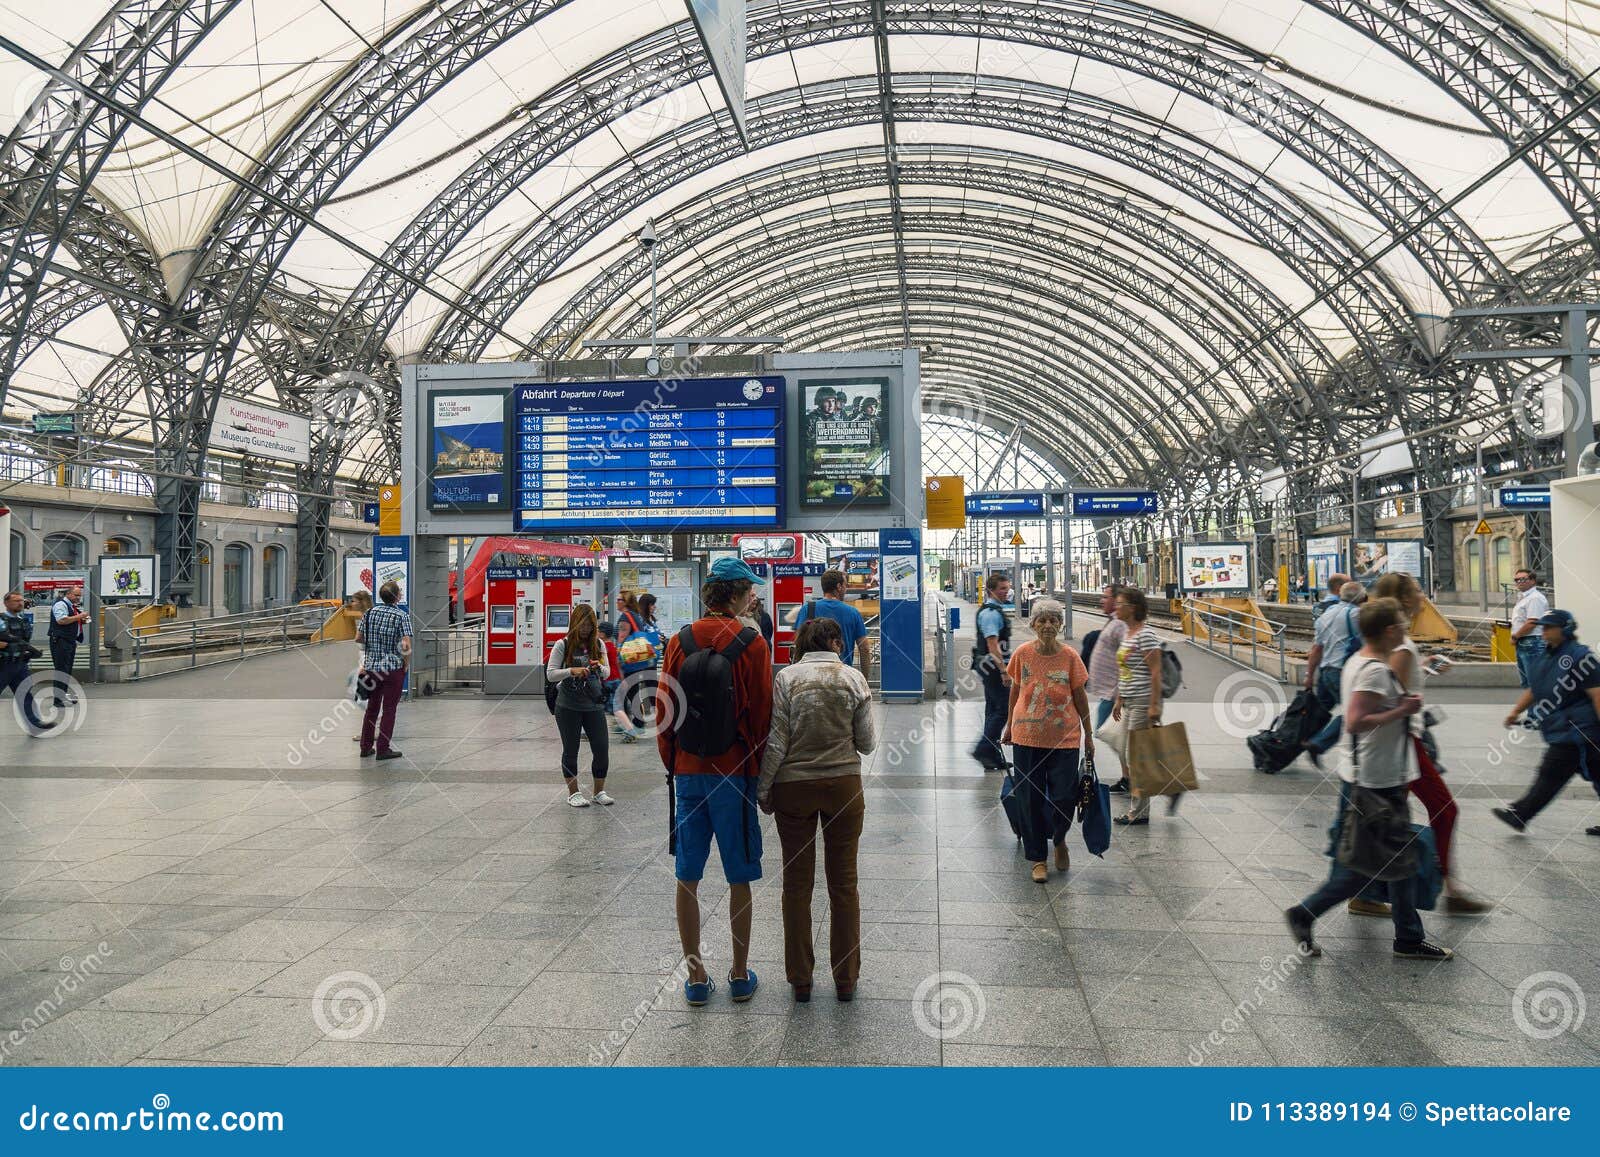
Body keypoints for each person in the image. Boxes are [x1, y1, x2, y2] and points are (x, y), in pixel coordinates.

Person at [1285, 597, 1453, 961]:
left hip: (1377, 776)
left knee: (1398, 861)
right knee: (1363, 869)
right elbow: (1356, 721)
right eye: (1402, 627)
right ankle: (1306, 911)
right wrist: (1402, 710)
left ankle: (1408, 936)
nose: (1406, 633)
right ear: (1390, 630)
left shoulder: (1360, 661)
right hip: (1376, 782)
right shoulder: (1375, 670)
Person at [657, 556, 773, 1007]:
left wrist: (674, 762)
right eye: (749, 591)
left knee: (687, 875)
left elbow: (666, 709)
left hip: (688, 771)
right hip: (735, 772)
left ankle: (696, 976)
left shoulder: (680, 640)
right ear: (738, 593)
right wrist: (759, 777)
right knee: (739, 875)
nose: (752, 597)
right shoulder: (752, 643)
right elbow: (761, 717)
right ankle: (740, 974)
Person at [757, 617, 877, 1002]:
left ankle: (801, 980)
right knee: (844, 885)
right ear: (837, 643)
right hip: (843, 786)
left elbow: (777, 739)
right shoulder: (853, 679)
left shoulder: (787, 678)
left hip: (794, 787)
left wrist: (764, 788)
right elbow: (868, 742)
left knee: (796, 886)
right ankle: (845, 979)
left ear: (802, 644)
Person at [1361, 572, 1492, 915]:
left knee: (1385, 820)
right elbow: (1394, 698)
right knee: (1444, 810)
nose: (1423, 594)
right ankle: (1448, 889)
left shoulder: (1401, 645)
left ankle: (1365, 891)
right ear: (1404, 600)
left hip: (1404, 743)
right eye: (1417, 590)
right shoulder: (1401, 647)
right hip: (1406, 744)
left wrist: (1424, 666)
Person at [1002, 598, 1094, 882]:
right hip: (1026, 736)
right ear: (1033, 625)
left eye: (1053, 620)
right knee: (1029, 799)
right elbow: (1015, 691)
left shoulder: (1069, 657)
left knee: (1063, 797)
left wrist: (1088, 734)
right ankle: (1037, 858)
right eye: (1042, 620)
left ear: (1060, 624)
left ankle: (1059, 838)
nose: (1047, 625)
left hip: (1064, 738)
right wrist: (1008, 726)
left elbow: (1080, 696)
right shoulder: (1022, 654)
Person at [1493, 609, 1600, 836]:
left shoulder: (1582, 657)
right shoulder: (1545, 657)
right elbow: (1536, 688)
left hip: (1578, 731)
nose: (1544, 630)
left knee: (1550, 774)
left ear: (1566, 629)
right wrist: (1516, 711)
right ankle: (1520, 814)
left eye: (1549, 626)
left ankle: (1520, 815)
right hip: (1563, 729)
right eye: (1543, 626)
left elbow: (1597, 695)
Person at [548, 603, 621, 805]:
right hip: (568, 706)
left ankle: (599, 792)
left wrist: (599, 667)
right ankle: (574, 793)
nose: (586, 629)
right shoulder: (562, 644)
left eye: (590, 625)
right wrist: (572, 671)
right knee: (571, 749)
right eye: (583, 625)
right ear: (575, 623)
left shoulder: (599, 644)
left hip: (593, 704)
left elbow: (607, 673)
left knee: (601, 748)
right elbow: (551, 674)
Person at [1112, 588, 1173, 825]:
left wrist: (1154, 706)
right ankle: (1168, 785)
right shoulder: (1128, 633)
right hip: (1129, 700)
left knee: (1135, 756)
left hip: (1143, 700)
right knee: (1127, 750)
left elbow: (1155, 672)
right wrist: (1119, 698)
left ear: (1133, 607)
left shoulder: (1146, 635)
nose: (1116, 607)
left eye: (1120, 603)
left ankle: (1138, 812)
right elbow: (1125, 670)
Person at [1302, 578, 1365, 767]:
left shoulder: (1326, 614)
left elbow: (1316, 649)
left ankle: (1293, 740)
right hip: (1341, 672)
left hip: (1325, 672)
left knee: (1318, 712)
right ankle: (1318, 744)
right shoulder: (1356, 615)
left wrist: (1309, 676)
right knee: (1353, 714)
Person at [356, 580, 411, 761]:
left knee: (371, 709)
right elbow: (405, 644)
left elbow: (358, 638)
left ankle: (365, 747)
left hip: (372, 668)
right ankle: (383, 749)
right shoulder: (401, 616)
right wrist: (406, 663)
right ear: (397, 596)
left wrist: (373, 645)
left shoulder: (369, 613)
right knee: (389, 710)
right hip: (392, 669)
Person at [1085, 584, 1128, 792]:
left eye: (1106, 597)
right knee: (1115, 735)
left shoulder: (1120, 625)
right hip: (1110, 693)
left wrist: (1120, 692)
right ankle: (1129, 775)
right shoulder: (1115, 621)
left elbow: (1127, 659)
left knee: (1109, 732)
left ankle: (1138, 773)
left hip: (1115, 693)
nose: (1102, 600)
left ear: (1118, 600)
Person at [970, 572, 1014, 771]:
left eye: (1007, 588)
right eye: (1002, 588)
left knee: (993, 709)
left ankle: (992, 756)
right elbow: (992, 644)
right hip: (993, 668)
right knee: (1004, 709)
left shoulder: (994, 610)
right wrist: (1004, 671)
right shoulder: (991, 613)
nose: (1006, 592)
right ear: (991, 590)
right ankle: (984, 749)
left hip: (988, 666)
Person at [791, 569, 870, 675]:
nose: (846, 589)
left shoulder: (807, 609)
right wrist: (864, 680)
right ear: (839, 586)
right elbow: (864, 648)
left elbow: (798, 643)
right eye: (845, 585)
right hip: (842, 675)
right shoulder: (853, 613)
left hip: (811, 674)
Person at [0, 591, 51, 734]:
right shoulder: (1, 620)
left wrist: (30, 652)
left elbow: (24, 642)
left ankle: (34, 725)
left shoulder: (23, 621)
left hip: (20, 665)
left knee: (25, 694)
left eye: (21, 600)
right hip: (4, 664)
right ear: (6, 603)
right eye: (16, 600)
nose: (20, 603)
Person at [595, 620, 640, 743]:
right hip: (616, 681)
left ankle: (631, 731)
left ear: (603, 634)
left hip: (610, 683)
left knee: (616, 709)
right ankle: (590, 732)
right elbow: (617, 665)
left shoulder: (604, 647)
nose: (596, 633)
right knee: (606, 708)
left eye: (598, 631)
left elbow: (600, 666)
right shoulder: (613, 647)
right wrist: (622, 680)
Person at [47, 585, 88, 707]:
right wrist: (79, 617)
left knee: (66, 670)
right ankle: (58, 700)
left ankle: (62, 695)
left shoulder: (71, 606)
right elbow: (62, 620)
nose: (78, 597)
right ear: (68, 594)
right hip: (60, 641)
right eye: (76, 595)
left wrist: (81, 620)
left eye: (79, 595)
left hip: (69, 641)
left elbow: (70, 620)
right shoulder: (60, 604)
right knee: (61, 670)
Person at [1509, 568, 1550, 689]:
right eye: (1516, 580)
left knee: (1535, 683)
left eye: (1523, 579)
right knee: (1528, 684)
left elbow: (1533, 622)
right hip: (1525, 643)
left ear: (1533, 581)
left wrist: (1515, 636)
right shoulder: (1524, 597)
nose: (1519, 582)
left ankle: (1539, 707)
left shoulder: (1535, 598)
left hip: (1533, 642)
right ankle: (1534, 707)